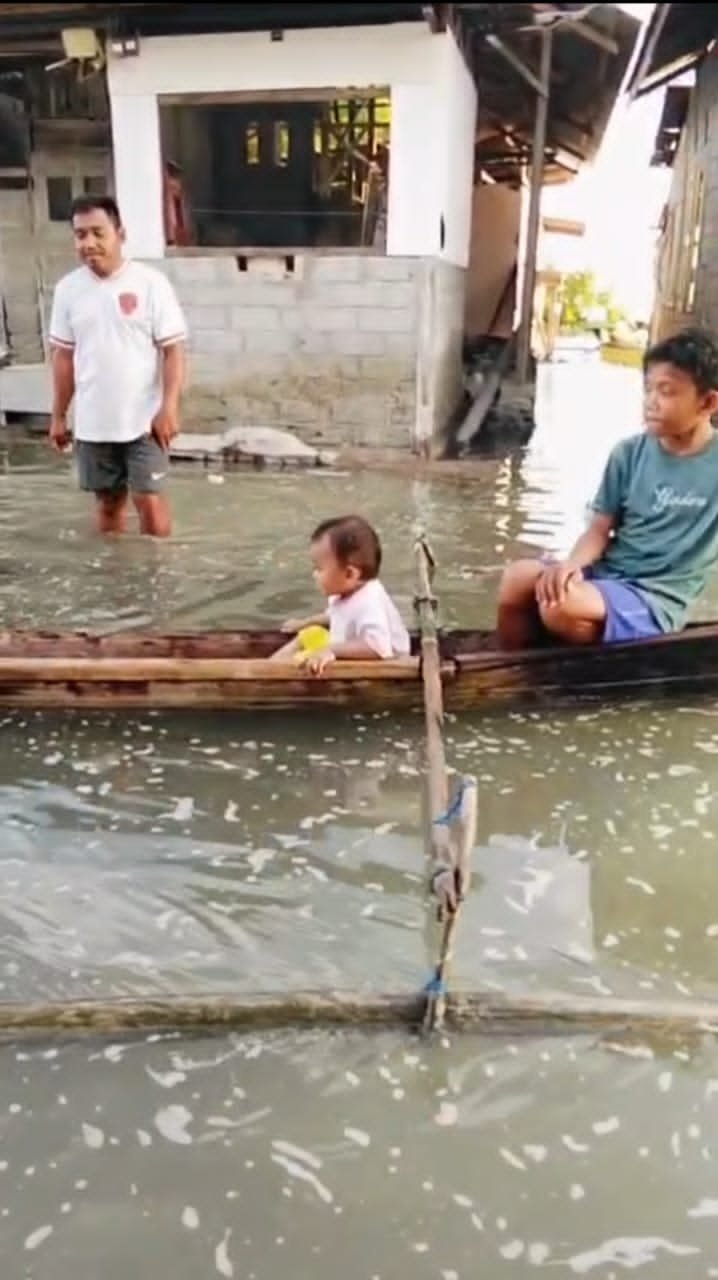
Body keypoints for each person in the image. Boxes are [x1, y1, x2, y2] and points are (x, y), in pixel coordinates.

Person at [497, 327, 718, 649]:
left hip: (654, 596)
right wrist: (572, 566)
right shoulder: (628, 454)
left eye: (667, 392)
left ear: (707, 402)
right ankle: (511, 666)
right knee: (516, 579)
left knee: (558, 608)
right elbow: (599, 530)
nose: (651, 402)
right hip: (606, 574)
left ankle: (561, 663)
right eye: (648, 389)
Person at [49, 194, 187, 538]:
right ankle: (114, 568)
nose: (89, 243)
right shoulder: (68, 290)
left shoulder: (150, 283)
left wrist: (169, 408)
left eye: (98, 233)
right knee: (108, 504)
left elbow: (173, 351)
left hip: (144, 421)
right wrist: (59, 415)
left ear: (120, 234)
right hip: (94, 423)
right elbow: (64, 357)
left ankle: (158, 569)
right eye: (81, 235)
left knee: (150, 502)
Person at [272, 515, 411, 674]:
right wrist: (305, 623)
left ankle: (267, 676)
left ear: (349, 574)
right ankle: (268, 667)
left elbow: (378, 647)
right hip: (350, 645)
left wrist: (330, 650)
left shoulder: (368, 602)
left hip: (383, 664)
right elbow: (334, 615)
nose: (314, 575)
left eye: (319, 569)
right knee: (309, 634)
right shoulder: (346, 590)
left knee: (305, 661)